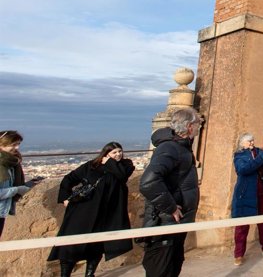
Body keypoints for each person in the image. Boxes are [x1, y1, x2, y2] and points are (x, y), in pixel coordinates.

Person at [48, 142, 134, 277]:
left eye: (119, 151)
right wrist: (65, 198)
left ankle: (90, 274)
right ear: (105, 154)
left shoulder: (126, 165)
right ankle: (65, 274)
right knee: (71, 243)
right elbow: (70, 178)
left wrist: (110, 163)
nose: (118, 154)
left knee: (97, 244)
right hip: (83, 209)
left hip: (106, 212)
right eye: (114, 152)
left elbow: (122, 176)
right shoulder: (91, 165)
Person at [139, 107, 202, 277]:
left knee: (173, 267)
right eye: (197, 124)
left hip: (174, 224)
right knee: (161, 270)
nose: (198, 128)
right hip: (165, 223)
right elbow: (148, 182)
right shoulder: (170, 148)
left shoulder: (181, 147)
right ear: (189, 126)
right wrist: (171, 207)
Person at [231, 133, 263, 266]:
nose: (252, 143)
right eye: (249, 141)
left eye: (252, 140)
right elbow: (244, 169)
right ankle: (239, 254)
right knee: (242, 226)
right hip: (245, 196)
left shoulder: (259, 152)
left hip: (262, 194)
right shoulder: (239, 155)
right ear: (242, 143)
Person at [0, 130, 40, 239]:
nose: (17, 148)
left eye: (18, 144)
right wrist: (17, 190)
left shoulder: (9, 164)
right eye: (13, 144)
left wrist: (29, 184)